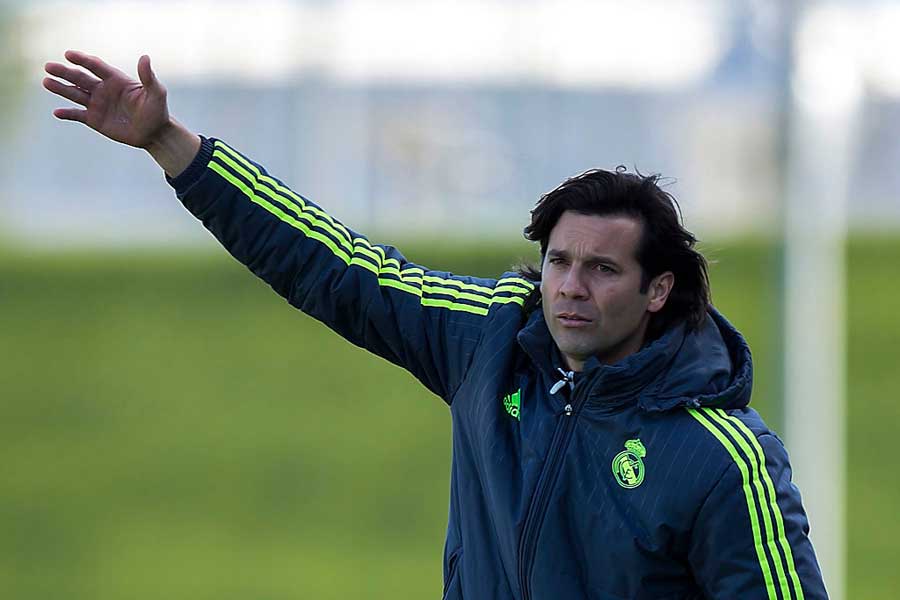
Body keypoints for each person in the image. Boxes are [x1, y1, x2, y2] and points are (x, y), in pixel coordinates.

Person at [43, 50, 828, 600]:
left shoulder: (724, 459)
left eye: (602, 269)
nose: (570, 287)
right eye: (558, 262)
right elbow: (340, 268)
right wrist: (172, 145)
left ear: (657, 289)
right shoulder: (493, 339)